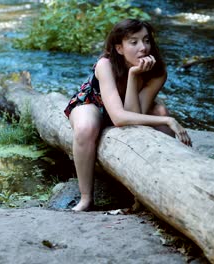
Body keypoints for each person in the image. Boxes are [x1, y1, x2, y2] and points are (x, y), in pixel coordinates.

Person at [64, 18, 192, 211]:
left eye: (146, 40)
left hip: (127, 110)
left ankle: (154, 188)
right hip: (94, 104)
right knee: (85, 127)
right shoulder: (105, 64)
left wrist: (134, 76)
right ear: (119, 48)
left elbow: (133, 116)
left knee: (160, 112)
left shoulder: (158, 71)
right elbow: (118, 118)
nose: (143, 47)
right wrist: (169, 119)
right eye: (134, 42)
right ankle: (86, 198)